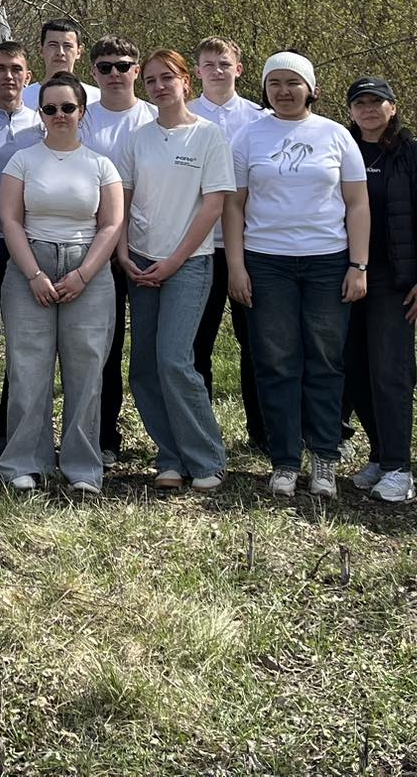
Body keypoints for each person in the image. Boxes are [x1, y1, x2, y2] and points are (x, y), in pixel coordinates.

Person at [224, 52, 369, 499]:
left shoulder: (336, 135)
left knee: (325, 360)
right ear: (264, 89)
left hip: (327, 261)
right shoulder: (248, 137)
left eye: (293, 82)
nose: (284, 91)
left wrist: (358, 265)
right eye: (275, 83)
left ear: (311, 89)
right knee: (276, 361)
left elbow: (358, 204)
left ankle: (324, 456)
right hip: (267, 262)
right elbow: (234, 205)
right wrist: (236, 266)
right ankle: (285, 459)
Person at [0, 72, 125, 496]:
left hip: (87, 268)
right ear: (41, 113)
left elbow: (111, 224)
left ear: (81, 111)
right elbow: (11, 219)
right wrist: (33, 273)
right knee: (28, 368)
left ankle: (82, 467)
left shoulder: (100, 165)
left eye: (67, 108)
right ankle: (22, 462)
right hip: (30, 264)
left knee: (86, 370)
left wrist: (84, 273)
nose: (58, 115)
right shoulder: (24, 161)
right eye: (49, 108)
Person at [114, 50, 235, 492]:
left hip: (189, 263)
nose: (160, 86)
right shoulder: (138, 138)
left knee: (175, 360)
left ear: (187, 81)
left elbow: (214, 204)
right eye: (150, 80)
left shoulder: (208, 137)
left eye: (168, 78)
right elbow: (122, 200)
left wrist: (175, 260)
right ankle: (169, 456)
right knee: (143, 367)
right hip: (140, 262)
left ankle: (206, 459)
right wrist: (124, 253)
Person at [340, 76, 417, 504]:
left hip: (393, 278)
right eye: (360, 103)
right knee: (354, 370)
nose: (368, 110)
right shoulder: (340, 147)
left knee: (390, 372)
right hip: (344, 273)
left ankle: (401, 467)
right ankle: (380, 455)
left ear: (393, 107)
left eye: (376, 102)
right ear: (350, 111)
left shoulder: (410, 153)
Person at [80, 36, 155, 460]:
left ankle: (166, 439)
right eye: (105, 66)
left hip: (144, 249)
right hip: (87, 249)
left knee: (146, 349)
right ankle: (103, 437)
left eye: (123, 65)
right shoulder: (78, 117)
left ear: (135, 68)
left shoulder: (152, 119)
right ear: (92, 72)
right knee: (99, 347)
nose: (114, 74)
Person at [191, 37, 267, 454]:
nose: (217, 70)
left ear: (239, 68)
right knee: (197, 343)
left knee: (254, 341)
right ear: (197, 70)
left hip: (249, 246)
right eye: (208, 64)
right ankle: (201, 432)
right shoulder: (183, 117)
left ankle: (262, 431)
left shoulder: (260, 118)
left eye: (225, 63)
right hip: (198, 247)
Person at [0, 40, 42, 464]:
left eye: (16, 69)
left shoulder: (45, 122)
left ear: (28, 76)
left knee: (23, 348)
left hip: (30, 250)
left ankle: (11, 435)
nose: (8, 76)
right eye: (0, 68)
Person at [22, 17, 101, 114]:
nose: (60, 52)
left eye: (67, 46)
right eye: (53, 45)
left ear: (79, 51)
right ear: (41, 49)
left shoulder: (96, 98)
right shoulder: (23, 98)